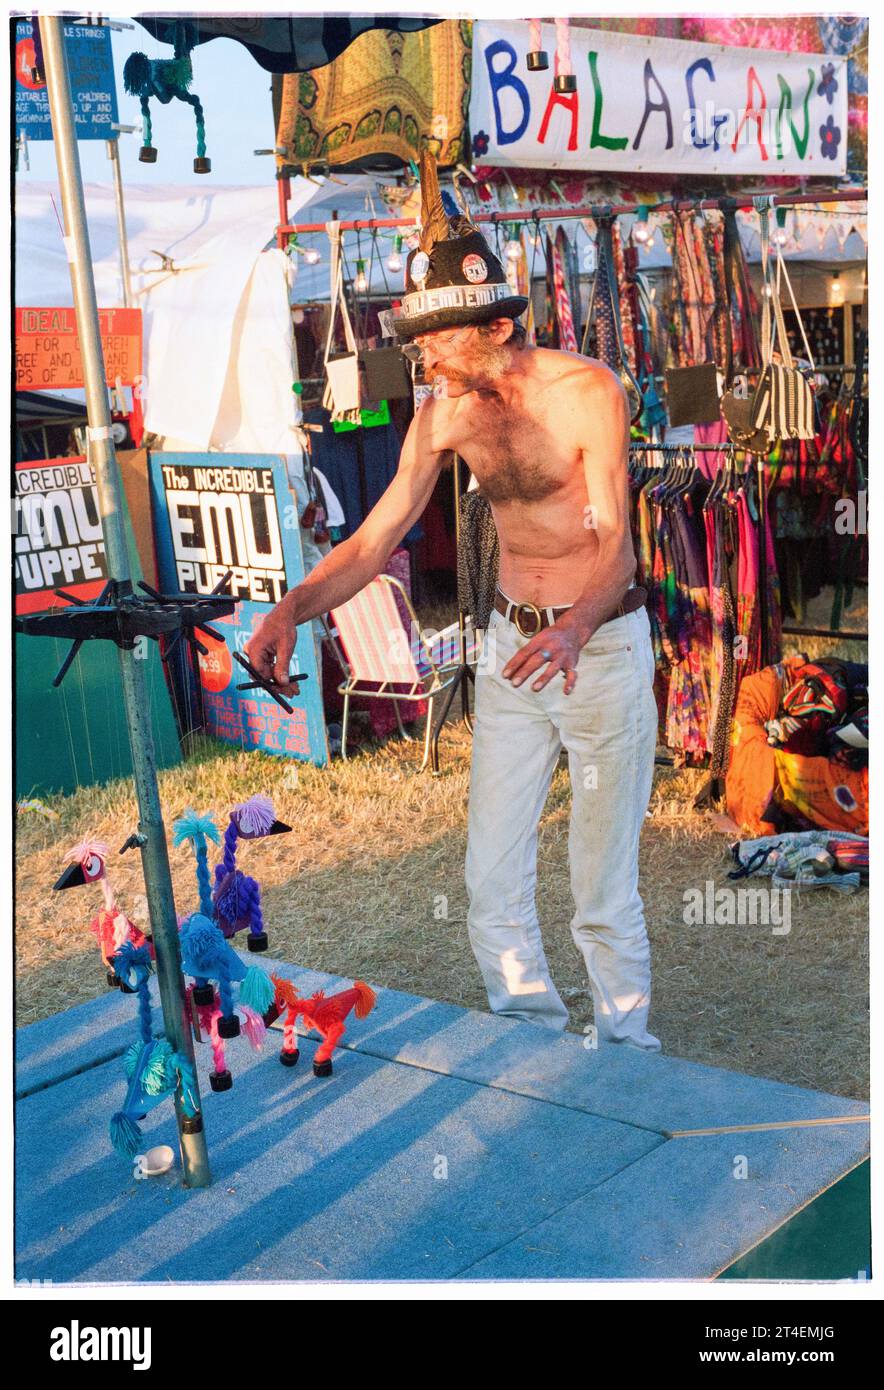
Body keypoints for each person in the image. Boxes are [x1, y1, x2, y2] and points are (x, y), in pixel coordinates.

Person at [246, 153, 660, 1051]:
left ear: (483, 326)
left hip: (601, 656)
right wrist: (289, 611)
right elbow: (372, 540)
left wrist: (579, 626)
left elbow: (620, 543)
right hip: (511, 653)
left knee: (602, 886)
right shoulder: (442, 417)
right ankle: (534, 1041)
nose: (422, 356)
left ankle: (629, 1057)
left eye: (433, 338)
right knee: (489, 879)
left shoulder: (588, 392)